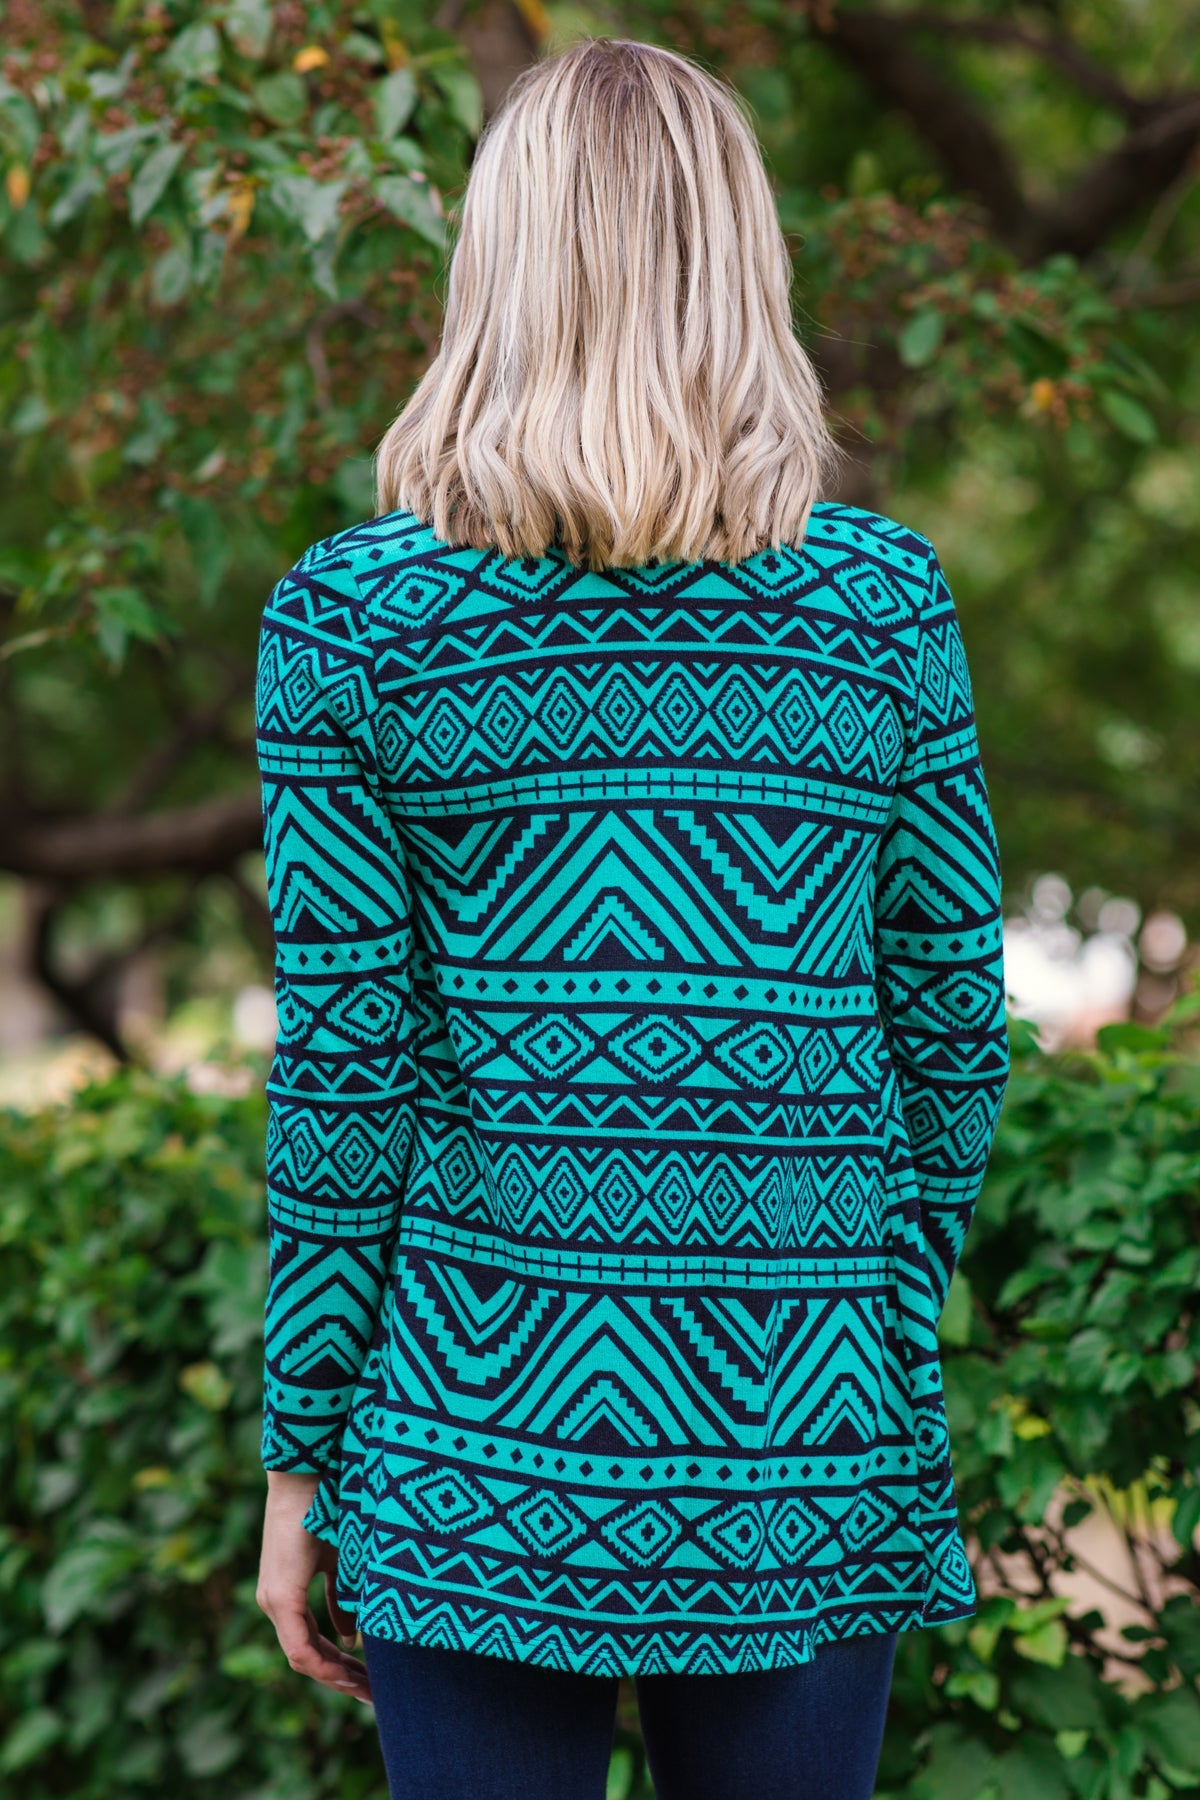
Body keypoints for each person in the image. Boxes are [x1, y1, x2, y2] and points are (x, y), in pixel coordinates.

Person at [254, 33, 1010, 1800]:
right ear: (742, 259)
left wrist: (302, 1470)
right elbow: (955, 1029)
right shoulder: (884, 607)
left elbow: (349, 1071)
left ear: (498, 264)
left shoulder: (356, 621)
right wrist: (869, 1332)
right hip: (806, 1430)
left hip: (466, 1445)